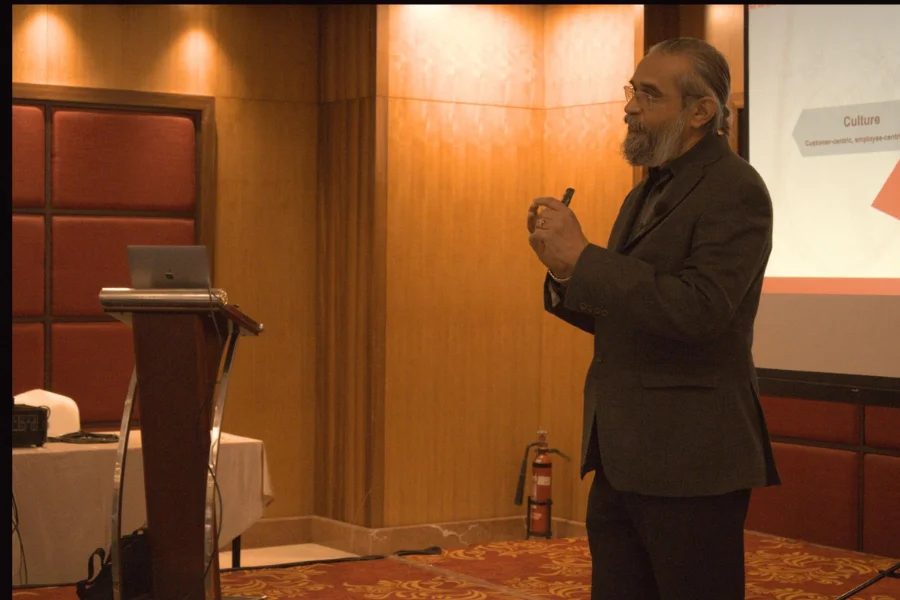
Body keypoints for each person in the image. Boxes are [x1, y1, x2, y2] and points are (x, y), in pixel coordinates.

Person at [526, 37, 781, 600]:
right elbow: (629, 314)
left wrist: (586, 259)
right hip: (623, 453)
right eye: (632, 91)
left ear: (701, 111)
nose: (630, 107)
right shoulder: (646, 191)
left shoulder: (735, 188)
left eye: (649, 94)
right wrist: (567, 274)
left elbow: (701, 309)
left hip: (691, 457)